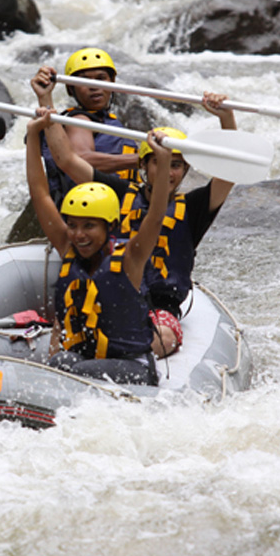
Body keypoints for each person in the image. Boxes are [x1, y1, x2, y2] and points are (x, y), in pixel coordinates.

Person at [39, 90, 237, 359]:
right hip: (109, 294)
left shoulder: (194, 208)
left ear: (185, 170)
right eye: (158, 162)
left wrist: (226, 117)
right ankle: (59, 373)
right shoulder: (119, 193)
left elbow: (229, 172)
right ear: (144, 164)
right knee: (64, 324)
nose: (169, 171)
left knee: (164, 337)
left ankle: (126, 368)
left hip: (159, 308)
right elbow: (67, 161)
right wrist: (46, 102)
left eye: (176, 165)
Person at [25, 108, 172, 386]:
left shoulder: (131, 258)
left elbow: (155, 214)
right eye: (74, 225)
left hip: (134, 368)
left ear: (110, 227)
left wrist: (162, 163)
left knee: (68, 369)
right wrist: (34, 135)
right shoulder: (69, 248)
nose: (79, 235)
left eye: (89, 226)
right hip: (86, 364)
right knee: (62, 362)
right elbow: (40, 192)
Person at [30, 47, 139, 206]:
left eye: (101, 78)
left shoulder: (106, 120)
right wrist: (141, 159)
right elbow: (80, 159)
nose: (94, 86)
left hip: (118, 201)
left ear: (112, 82)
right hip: (93, 206)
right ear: (70, 88)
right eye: (84, 80)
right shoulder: (79, 120)